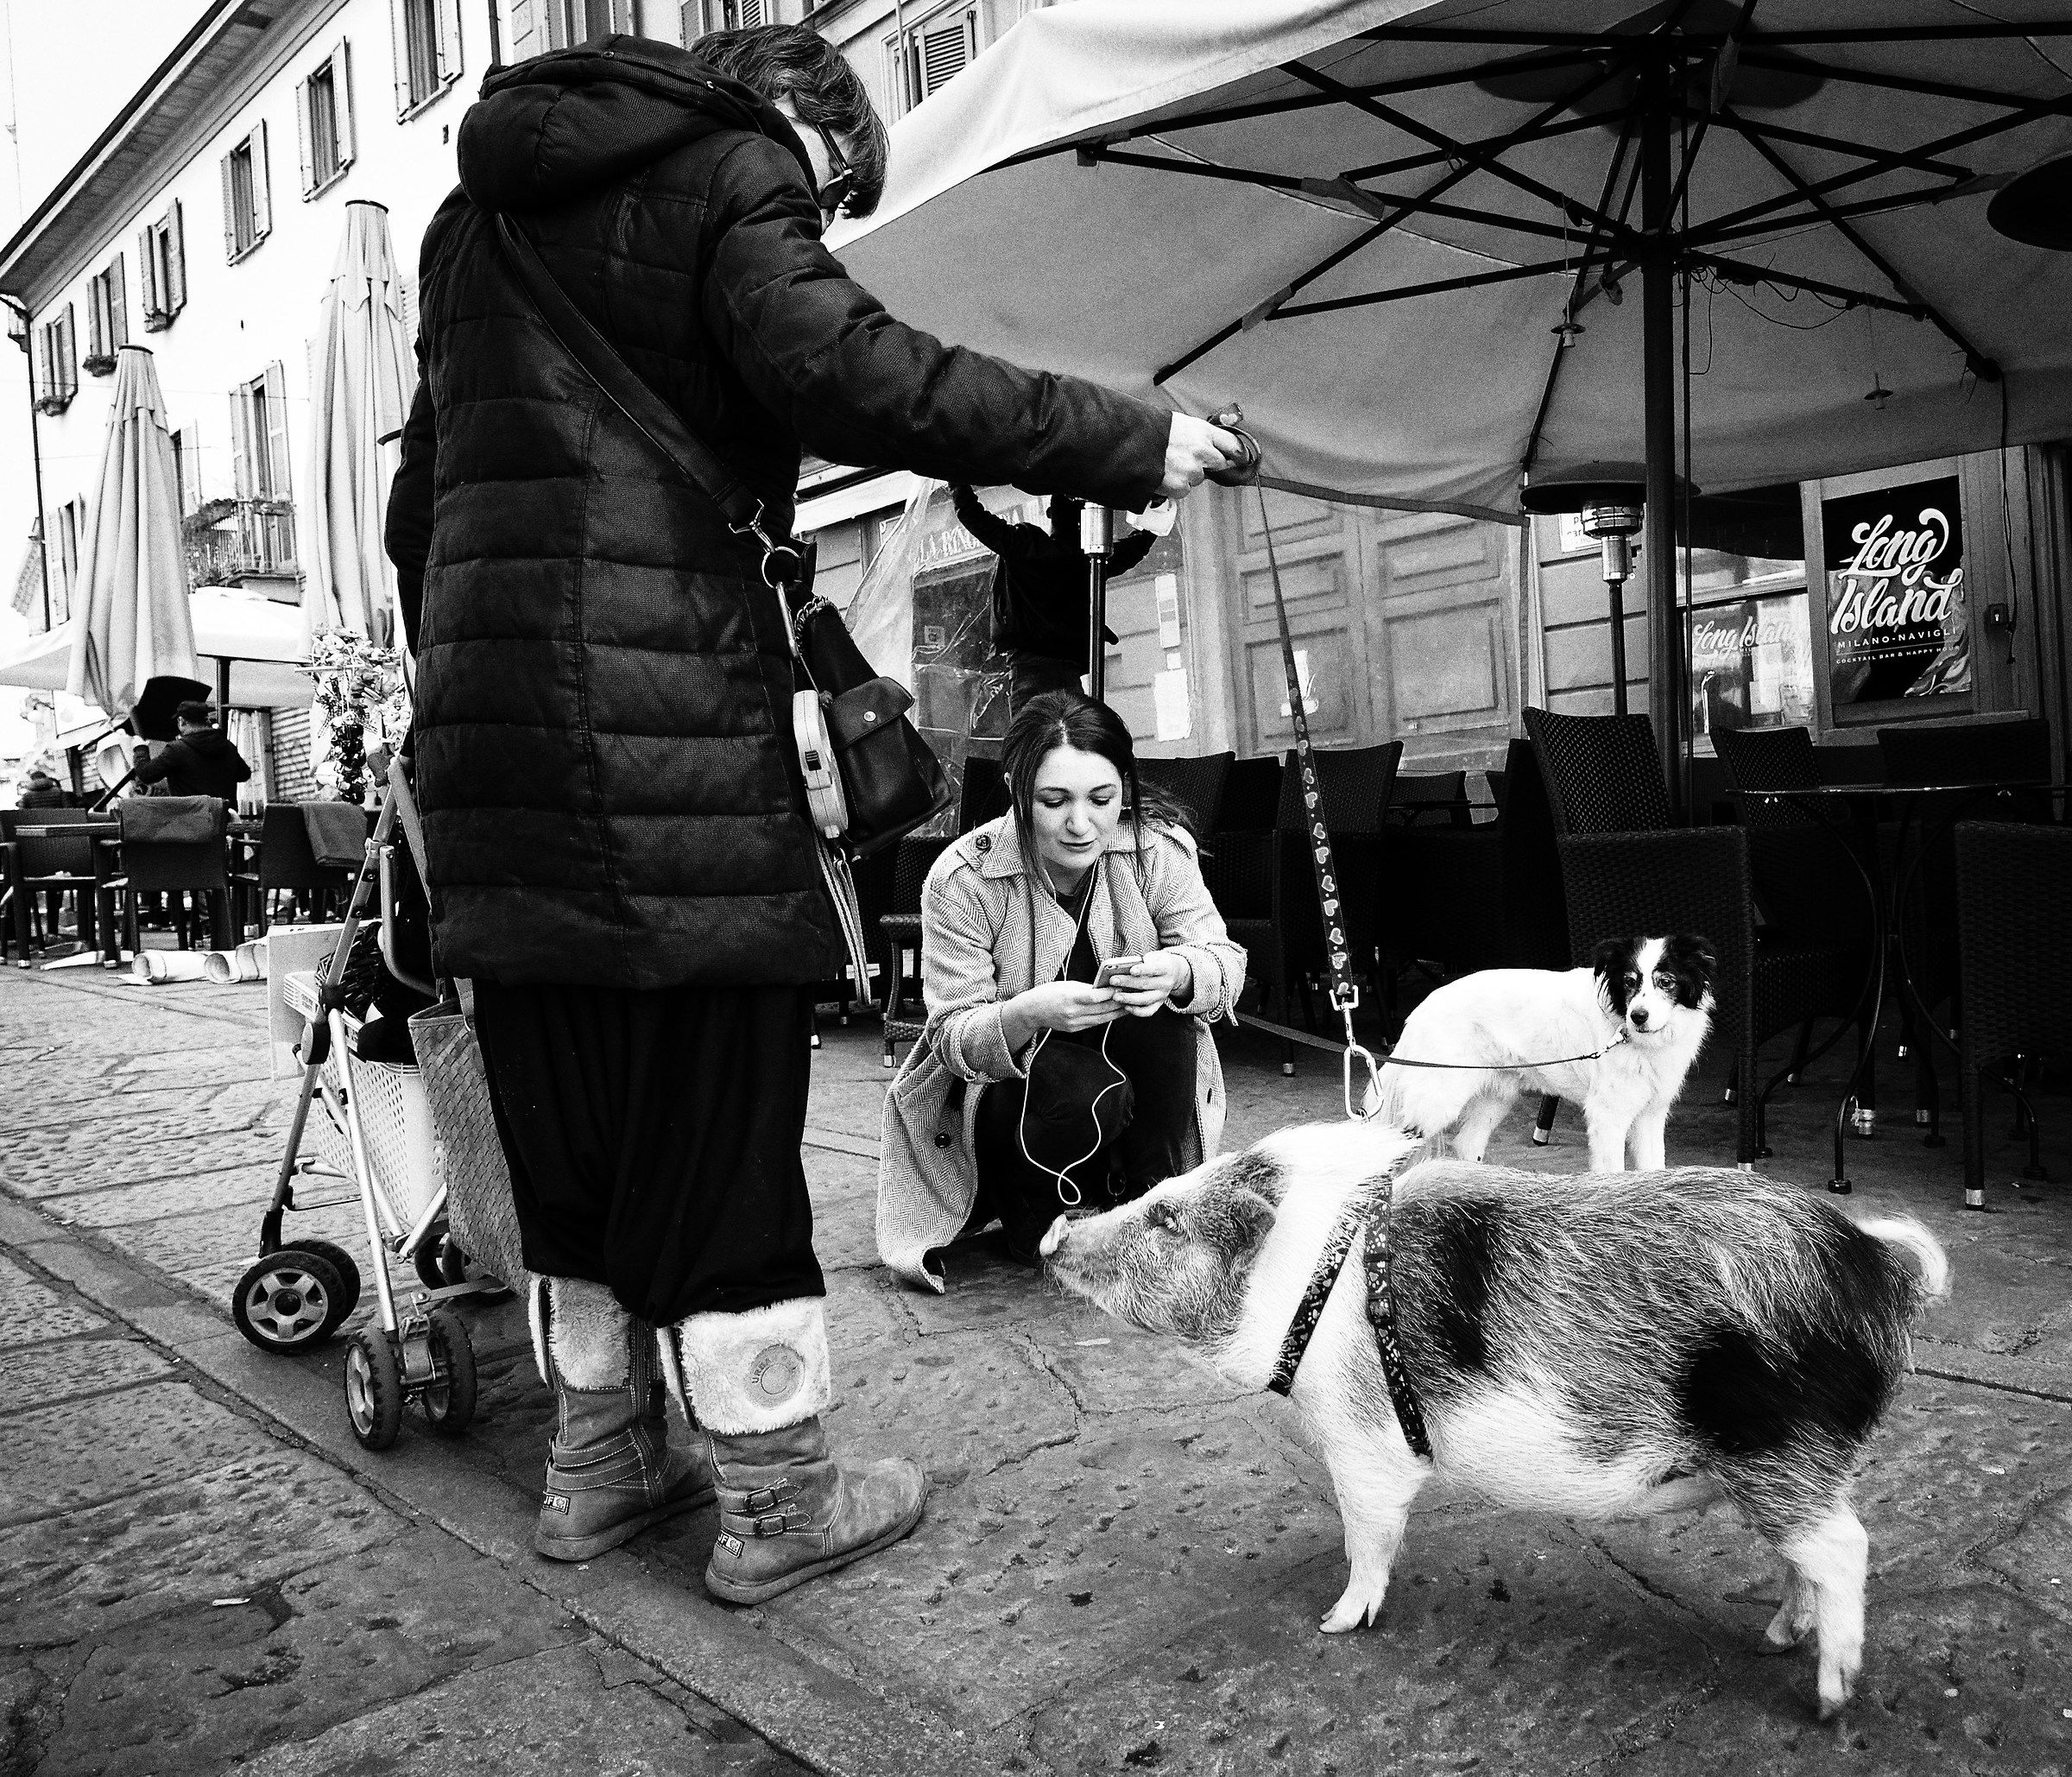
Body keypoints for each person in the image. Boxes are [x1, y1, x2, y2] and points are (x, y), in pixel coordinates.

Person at [382, 26, 1241, 1605]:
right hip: (673, 761)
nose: (818, 217)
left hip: (493, 772)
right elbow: (849, 367)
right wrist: (1130, 439)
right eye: (833, 194)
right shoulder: (729, 162)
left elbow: (413, 510)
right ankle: (775, 1494)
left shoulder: (469, 227)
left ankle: (600, 1463)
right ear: (802, 120)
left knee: (568, 1129)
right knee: (713, 1125)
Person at [878, 692, 1246, 1287]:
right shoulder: (963, 877)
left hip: (1124, 1066)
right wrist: (1024, 1015)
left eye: (1102, 800)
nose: (1081, 824)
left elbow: (1224, 962)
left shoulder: (1155, 849)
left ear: (1125, 789)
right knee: (1078, 1087)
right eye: (1054, 801)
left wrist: (1177, 973)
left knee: (1167, 1026)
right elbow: (950, 1039)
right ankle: (1030, 1207)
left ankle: (1152, 1203)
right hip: (1013, 1096)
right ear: (1017, 791)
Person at [950, 485, 1159, 713]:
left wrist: (956, 481)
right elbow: (1134, 548)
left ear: (1050, 514)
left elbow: (972, 514)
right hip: (1069, 674)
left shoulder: (1026, 546)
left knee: (1035, 743)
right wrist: (1155, 512)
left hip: (1030, 671)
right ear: (1085, 520)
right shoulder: (1088, 561)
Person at [131, 702, 252, 801]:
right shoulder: (227, 746)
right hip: (224, 823)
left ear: (181, 721)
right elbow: (244, 774)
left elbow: (146, 774)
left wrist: (140, 749)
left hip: (190, 824)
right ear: (206, 720)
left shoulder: (176, 749)